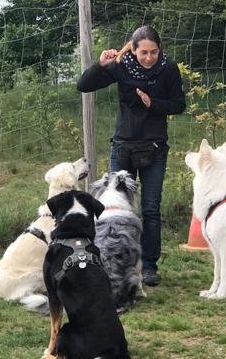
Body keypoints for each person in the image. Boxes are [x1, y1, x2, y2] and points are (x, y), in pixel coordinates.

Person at [77, 25, 185, 286]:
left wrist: (153, 104)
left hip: (154, 148)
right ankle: (112, 260)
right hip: (123, 147)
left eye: (154, 52)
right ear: (134, 50)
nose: (149, 58)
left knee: (150, 208)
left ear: (160, 50)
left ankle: (148, 266)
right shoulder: (121, 65)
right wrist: (100, 65)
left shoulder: (169, 69)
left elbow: (179, 105)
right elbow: (84, 85)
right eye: (144, 52)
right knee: (114, 207)